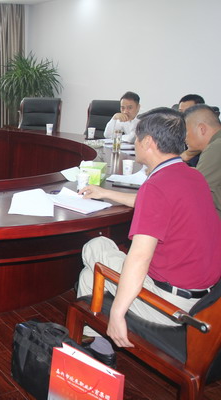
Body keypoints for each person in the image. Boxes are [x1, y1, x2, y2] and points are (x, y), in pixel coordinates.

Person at [77, 108, 221, 367]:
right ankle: (99, 347)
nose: (134, 142)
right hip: (205, 299)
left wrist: (118, 314)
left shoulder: (157, 186)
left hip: (170, 306)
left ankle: (98, 344)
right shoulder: (191, 175)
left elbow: (139, 258)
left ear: (148, 143)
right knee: (90, 276)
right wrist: (105, 193)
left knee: (95, 246)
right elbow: (153, 202)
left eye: (137, 137)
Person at [184, 104, 221, 218]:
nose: (184, 139)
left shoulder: (216, 147)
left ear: (202, 129)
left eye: (186, 132)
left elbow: (196, 190)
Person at [177, 94, 206, 166]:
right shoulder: (178, 130)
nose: (183, 115)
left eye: (188, 111)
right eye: (180, 112)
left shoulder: (206, 130)